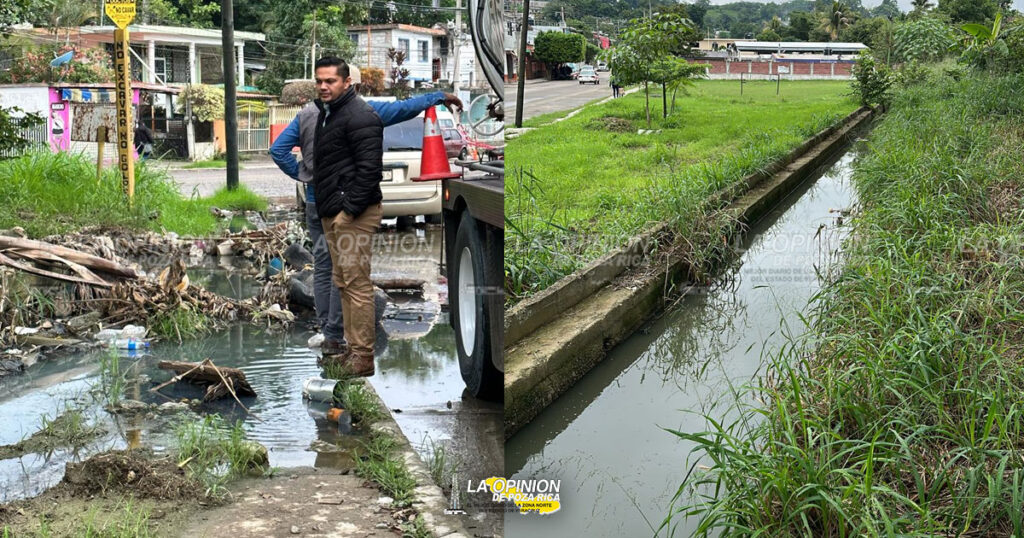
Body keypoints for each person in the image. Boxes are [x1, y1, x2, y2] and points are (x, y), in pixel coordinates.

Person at [269, 67, 463, 363]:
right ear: (354, 88)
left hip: (315, 202)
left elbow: (278, 150)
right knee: (345, 272)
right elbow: (403, 109)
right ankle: (338, 336)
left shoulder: (308, 113)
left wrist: (306, 176)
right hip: (342, 203)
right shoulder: (364, 112)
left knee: (325, 267)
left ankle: (330, 332)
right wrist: (438, 97)